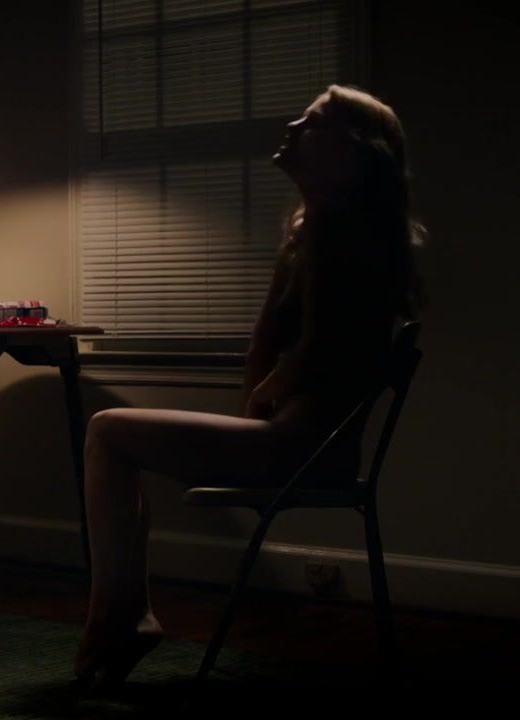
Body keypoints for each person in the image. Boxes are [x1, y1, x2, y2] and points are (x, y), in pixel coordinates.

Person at [73, 84, 424, 690]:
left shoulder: (345, 236)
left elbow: (321, 351)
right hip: (294, 439)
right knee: (114, 439)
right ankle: (125, 612)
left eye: (311, 123)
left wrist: (262, 400)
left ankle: (119, 613)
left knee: (108, 430)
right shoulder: (313, 230)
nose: (292, 127)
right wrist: (257, 404)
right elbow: (265, 343)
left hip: (306, 449)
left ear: (351, 150)